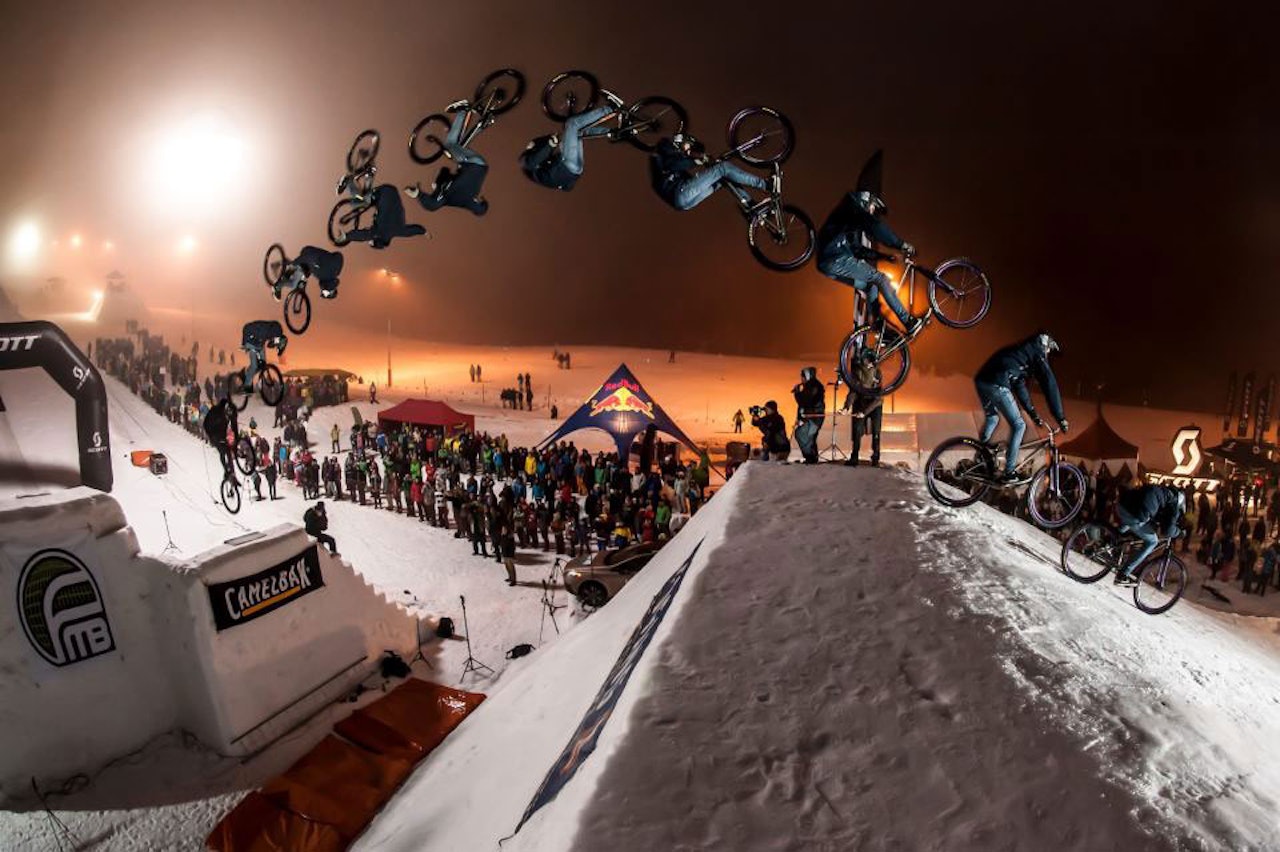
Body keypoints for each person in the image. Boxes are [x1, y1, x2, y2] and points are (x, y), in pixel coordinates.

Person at [815, 150, 921, 336]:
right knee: (881, 279)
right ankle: (908, 321)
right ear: (866, 200)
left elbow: (858, 249)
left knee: (872, 285)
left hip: (828, 262)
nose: (873, 212)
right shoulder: (854, 209)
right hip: (835, 257)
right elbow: (875, 226)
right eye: (873, 207)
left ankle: (878, 326)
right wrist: (900, 244)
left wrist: (883, 256)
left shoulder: (850, 216)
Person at [973, 332, 1069, 483]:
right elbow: (1050, 383)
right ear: (1046, 345)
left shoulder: (1023, 355)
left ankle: (981, 455)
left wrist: (1033, 414)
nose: (1048, 355)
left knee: (993, 418)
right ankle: (1009, 472)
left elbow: (1020, 387)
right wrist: (1060, 417)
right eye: (1049, 351)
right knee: (1019, 425)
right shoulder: (1038, 353)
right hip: (997, 383)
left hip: (982, 381)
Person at [405, 103, 489, 216]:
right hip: (471, 163)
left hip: (479, 165)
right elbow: (431, 205)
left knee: (461, 146)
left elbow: (445, 170)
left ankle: (483, 123)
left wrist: (482, 202)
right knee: (450, 144)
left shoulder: (462, 201)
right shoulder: (446, 196)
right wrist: (418, 194)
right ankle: (463, 110)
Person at [649, 132, 769, 211]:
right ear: (679, 141)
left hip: (682, 202)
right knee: (723, 168)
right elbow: (673, 165)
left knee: (723, 177)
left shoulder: (671, 156)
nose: (689, 152)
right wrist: (698, 161)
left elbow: (692, 179)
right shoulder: (664, 150)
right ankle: (766, 185)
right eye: (688, 147)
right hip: (679, 193)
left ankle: (752, 207)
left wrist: (708, 166)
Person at [520, 103, 615, 191]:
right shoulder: (525, 162)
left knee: (578, 132)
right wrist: (550, 145)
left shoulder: (542, 175)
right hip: (566, 165)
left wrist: (554, 141)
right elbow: (534, 159)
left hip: (576, 171)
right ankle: (610, 108)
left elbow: (567, 188)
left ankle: (614, 132)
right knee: (572, 124)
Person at [1113, 484, 1184, 585]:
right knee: (1152, 541)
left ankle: (1109, 540)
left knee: (1134, 522)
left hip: (1121, 505)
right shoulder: (1174, 505)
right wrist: (1179, 533)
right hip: (1133, 515)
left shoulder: (1161, 492)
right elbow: (1168, 530)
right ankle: (1123, 574)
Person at [337, 184, 427, 248]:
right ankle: (349, 183)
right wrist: (347, 236)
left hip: (391, 190)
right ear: (378, 239)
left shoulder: (399, 231)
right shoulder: (379, 232)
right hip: (381, 194)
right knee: (360, 201)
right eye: (371, 241)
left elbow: (412, 231)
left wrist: (424, 231)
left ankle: (369, 173)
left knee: (367, 201)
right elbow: (364, 235)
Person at [842, 353, 884, 467]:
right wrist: (846, 407)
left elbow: (878, 398)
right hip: (860, 401)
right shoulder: (857, 372)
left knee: (876, 431)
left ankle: (875, 458)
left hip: (874, 404)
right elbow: (853, 391)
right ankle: (854, 456)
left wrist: (864, 412)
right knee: (857, 429)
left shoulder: (877, 373)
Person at [273, 245, 345, 301]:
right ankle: (277, 286)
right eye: (323, 292)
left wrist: (326, 257)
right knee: (293, 285)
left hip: (312, 256)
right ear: (328, 289)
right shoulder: (322, 274)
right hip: (308, 254)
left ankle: (290, 270)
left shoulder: (335, 272)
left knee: (302, 272)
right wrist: (295, 262)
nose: (321, 290)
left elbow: (339, 255)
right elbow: (309, 258)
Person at [240, 320, 287, 392]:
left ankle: (248, 374)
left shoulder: (275, 331)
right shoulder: (266, 332)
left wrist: (278, 349)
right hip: (249, 338)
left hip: (258, 340)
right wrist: (245, 345)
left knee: (262, 364)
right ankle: (246, 386)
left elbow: (273, 344)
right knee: (254, 365)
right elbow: (270, 344)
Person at [792, 367, 826, 464]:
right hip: (812, 417)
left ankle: (810, 457)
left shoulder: (813, 387)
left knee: (801, 434)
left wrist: (797, 393)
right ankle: (811, 458)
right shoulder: (811, 386)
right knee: (810, 437)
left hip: (814, 417)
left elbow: (805, 401)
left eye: (802, 377)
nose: (801, 379)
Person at [202, 398, 238, 475]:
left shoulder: (223, 413)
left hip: (222, 436)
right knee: (222, 452)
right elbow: (207, 423)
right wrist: (211, 435)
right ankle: (226, 469)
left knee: (227, 452)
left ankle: (231, 471)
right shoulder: (215, 412)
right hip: (216, 436)